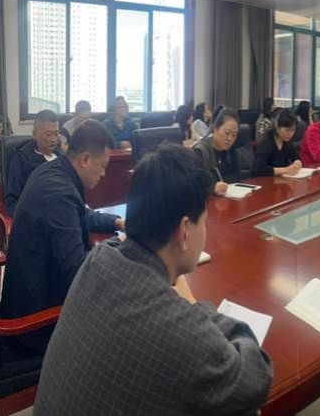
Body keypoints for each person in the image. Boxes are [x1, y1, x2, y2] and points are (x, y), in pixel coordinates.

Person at [34, 144, 273, 414]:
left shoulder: (99, 257)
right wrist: (193, 307)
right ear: (185, 231)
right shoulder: (180, 333)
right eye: (204, 222)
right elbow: (256, 377)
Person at [1, 120, 123, 354]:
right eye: (103, 166)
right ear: (85, 159)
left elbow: (78, 214)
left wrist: (117, 222)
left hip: (32, 295)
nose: (104, 174)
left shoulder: (55, 171)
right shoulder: (59, 193)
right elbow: (78, 273)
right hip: (36, 325)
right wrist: (120, 249)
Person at [4, 110, 63, 216]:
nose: (54, 139)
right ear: (35, 134)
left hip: (65, 209)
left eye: (56, 134)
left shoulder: (61, 156)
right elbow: (12, 202)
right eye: (48, 135)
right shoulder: (21, 159)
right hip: (40, 216)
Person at [193, 108, 243, 195]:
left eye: (234, 135)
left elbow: (237, 176)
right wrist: (212, 187)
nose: (230, 139)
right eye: (227, 133)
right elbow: (195, 183)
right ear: (215, 128)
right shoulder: (201, 151)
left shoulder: (231, 149)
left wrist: (218, 182)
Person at [253, 109, 303, 177]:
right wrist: (285, 170)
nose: (290, 134)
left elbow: (297, 158)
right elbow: (258, 169)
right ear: (277, 126)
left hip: (281, 179)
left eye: (293, 130)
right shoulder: (266, 142)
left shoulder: (287, 140)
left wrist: (298, 163)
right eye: (287, 130)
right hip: (265, 180)